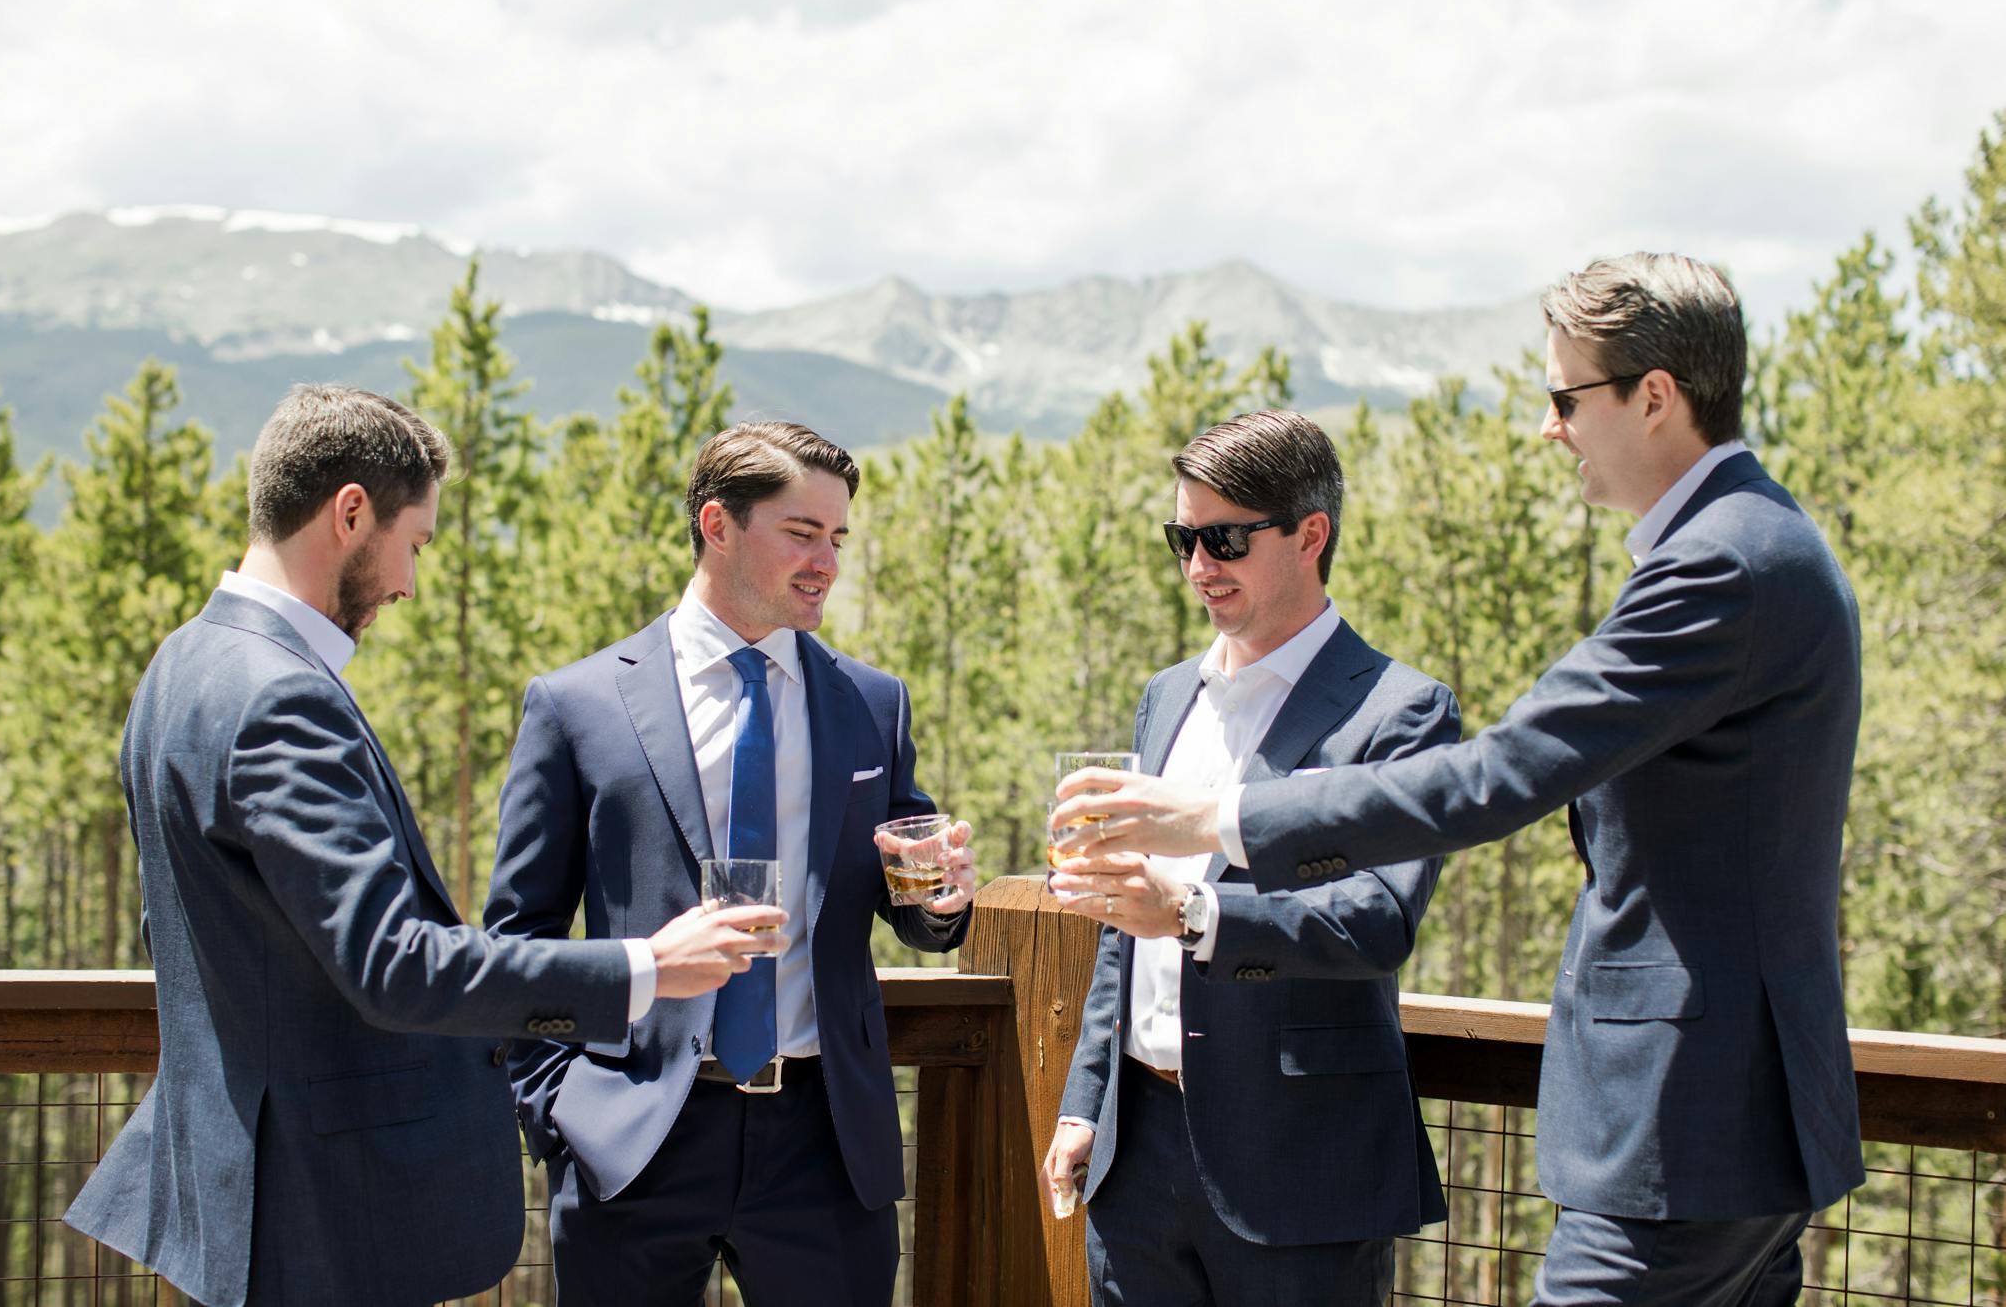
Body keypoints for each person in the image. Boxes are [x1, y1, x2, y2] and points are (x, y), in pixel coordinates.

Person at [1055, 253, 1866, 1305]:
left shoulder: (1718, 563)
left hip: (1692, 1121)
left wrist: (1212, 819)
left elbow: (1500, 771)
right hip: (1736, 1123)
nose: (1548, 426)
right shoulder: (1760, 543)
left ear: (1654, 397)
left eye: (1564, 396)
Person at [63, 384, 782, 1307]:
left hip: (244, 1183)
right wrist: (645, 966)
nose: (410, 582)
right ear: (350, 512)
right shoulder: (282, 699)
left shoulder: (184, 662)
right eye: (416, 543)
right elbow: (394, 965)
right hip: (322, 1205)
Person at [485, 419, 977, 1307]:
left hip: (825, 1144)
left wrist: (939, 894)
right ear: (717, 524)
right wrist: (559, 1110)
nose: (826, 560)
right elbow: (521, 931)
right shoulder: (577, 705)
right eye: (801, 533)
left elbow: (913, 906)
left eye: (837, 538)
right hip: (632, 1136)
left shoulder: (871, 702)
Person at [1040, 409, 1454, 1306]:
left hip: (1297, 1161)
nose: (1197, 567)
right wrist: (1087, 1101)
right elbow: (1124, 925)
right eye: (1181, 537)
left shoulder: (1400, 711)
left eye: (1223, 537)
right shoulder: (1166, 696)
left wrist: (1193, 914)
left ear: (1311, 535)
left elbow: (1375, 917)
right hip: (1134, 1152)